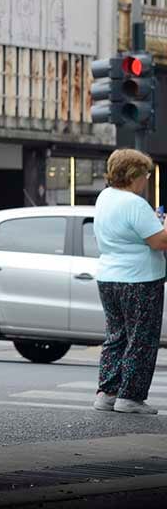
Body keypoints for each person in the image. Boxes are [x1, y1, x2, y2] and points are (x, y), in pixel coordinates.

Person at [91, 148, 167, 415]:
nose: (146, 179)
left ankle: (107, 393)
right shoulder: (134, 203)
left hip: (108, 276)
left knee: (116, 336)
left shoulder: (105, 197)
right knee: (142, 338)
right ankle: (130, 397)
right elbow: (159, 241)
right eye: (145, 174)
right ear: (135, 175)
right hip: (140, 279)